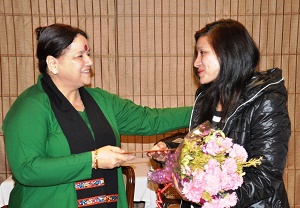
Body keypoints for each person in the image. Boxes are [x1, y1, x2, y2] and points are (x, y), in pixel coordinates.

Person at [2, 23, 192, 208]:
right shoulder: (30, 106)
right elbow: (27, 169)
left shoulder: (100, 100)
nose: (89, 61)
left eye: (88, 54)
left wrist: (202, 109)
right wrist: (93, 160)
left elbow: (150, 120)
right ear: (53, 63)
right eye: (80, 56)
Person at [149, 19, 291, 207]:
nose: (196, 62)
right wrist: (169, 148)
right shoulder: (207, 96)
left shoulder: (267, 100)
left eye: (203, 53)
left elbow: (266, 175)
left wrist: (211, 199)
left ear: (228, 54)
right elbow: (204, 141)